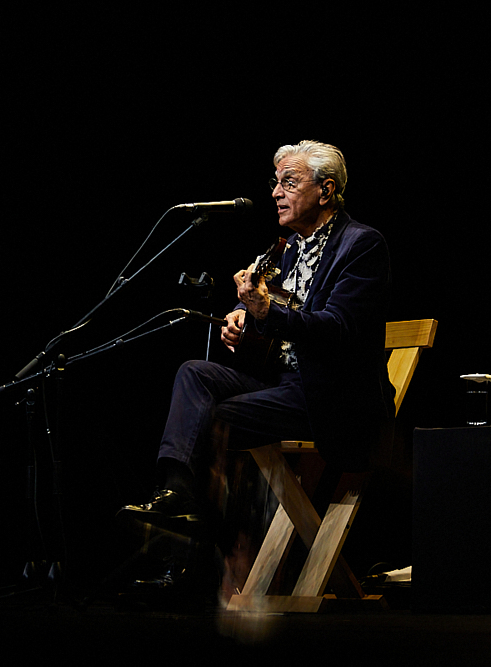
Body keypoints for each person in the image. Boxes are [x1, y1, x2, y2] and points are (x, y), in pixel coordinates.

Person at [119, 140, 396, 552]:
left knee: (219, 418)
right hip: (283, 387)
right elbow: (267, 304)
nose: (275, 192)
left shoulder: (361, 244)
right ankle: (177, 498)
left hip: (332, 396)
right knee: (194, 373)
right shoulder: (285, 250)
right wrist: (240, 316)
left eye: (289, 182)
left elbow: (338, 328)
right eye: (275, 181)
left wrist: (265, 313)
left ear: (326, 190)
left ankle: (203, 554)